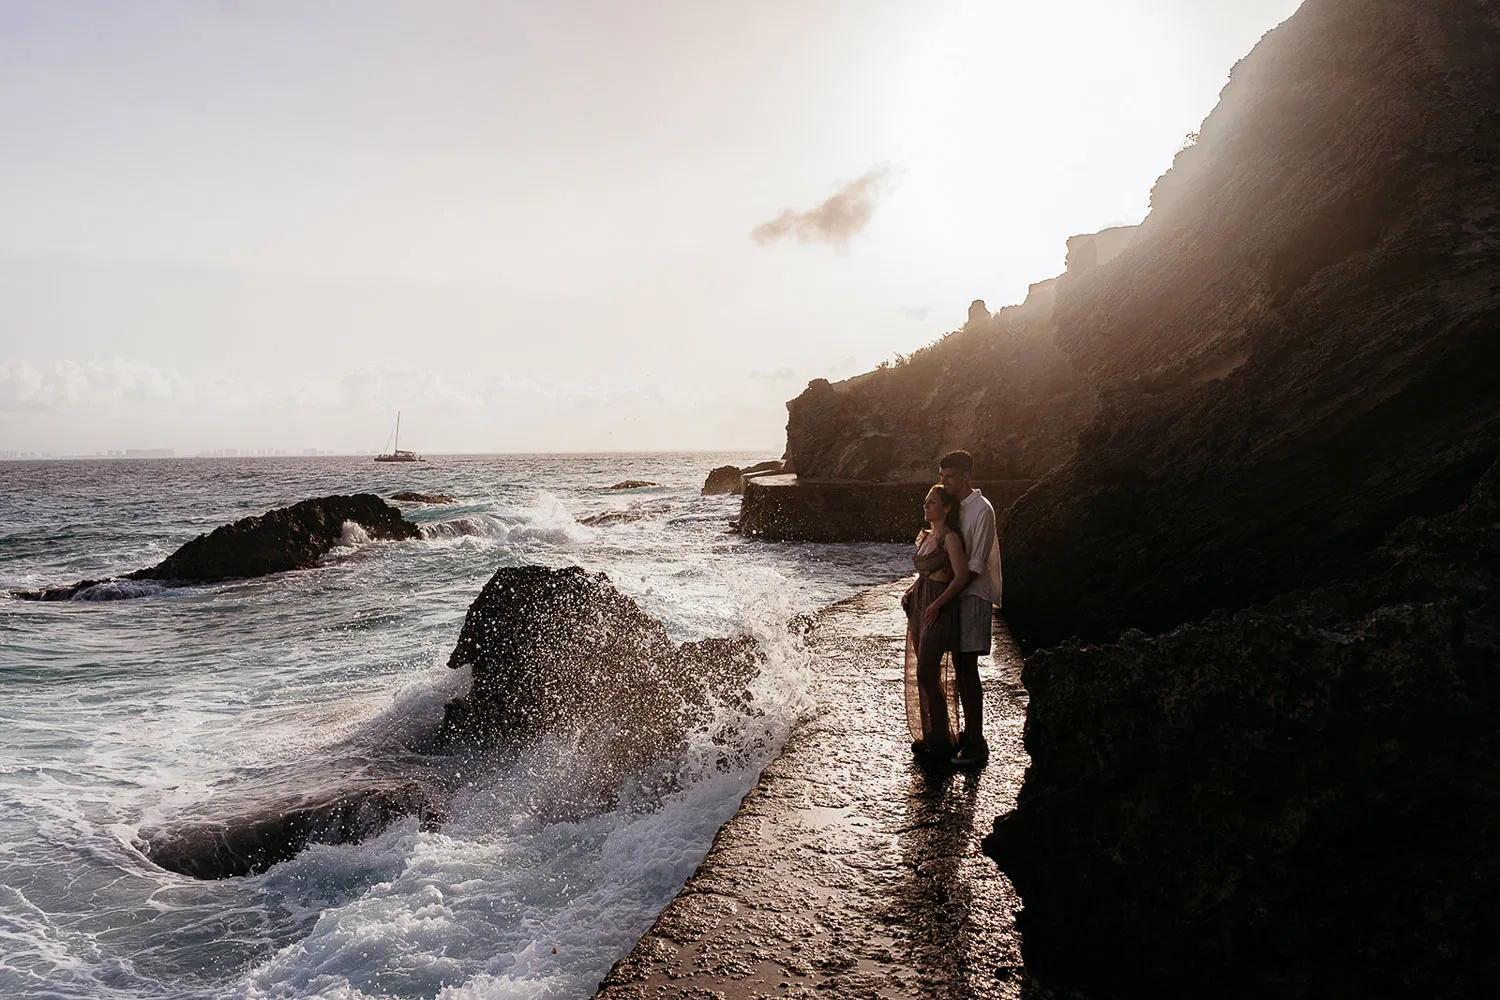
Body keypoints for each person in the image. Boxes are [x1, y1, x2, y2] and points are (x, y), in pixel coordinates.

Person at [938, 450, 1003, 767]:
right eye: (942, 476)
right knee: (961, 668)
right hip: (959, 595)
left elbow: (974, 566)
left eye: (949, 476)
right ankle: (968, 733)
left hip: (974, 596)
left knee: (967, 668)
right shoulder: (957, 508)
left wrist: (943, 598)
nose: (944, 482)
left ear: (966, 476)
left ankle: (977, 743)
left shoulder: (982, 510)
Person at [901, 485, 970, 761]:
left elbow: (962, 576)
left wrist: (937, 604)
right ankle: (931, 735)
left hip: (937, 608)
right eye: (925, 502)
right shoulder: (926, 537)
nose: (926, 507)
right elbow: (925, 573)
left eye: (932, 503)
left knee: (928, 673)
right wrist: (910, 592)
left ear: (947, 508)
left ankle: (941, 738)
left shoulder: (950, 539)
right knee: (924, 672)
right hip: (919, 605)